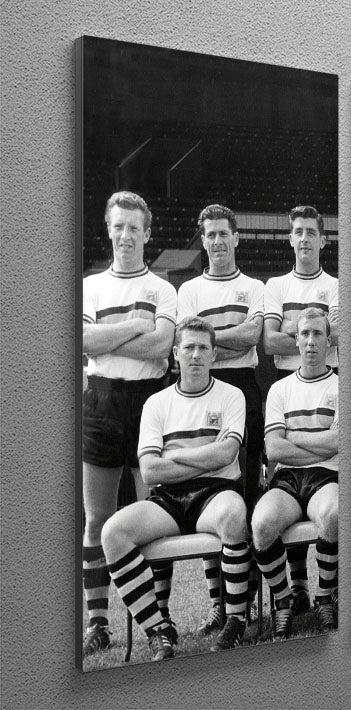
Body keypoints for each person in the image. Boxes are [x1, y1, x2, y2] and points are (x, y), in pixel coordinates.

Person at [100, 316, 250, 660]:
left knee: (233, 514)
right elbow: (150, 470)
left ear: (214, 355)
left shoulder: (232, 395)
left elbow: (227, 454)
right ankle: (159, 630)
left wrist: (175, 455)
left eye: (203, 348)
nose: (196, 355)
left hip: (215, 492)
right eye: (189, 347)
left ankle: (235, 619)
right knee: (113, 532)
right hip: (167, 497)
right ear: (175, 354)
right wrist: (206, 454)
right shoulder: (157, 403)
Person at [81, 191, 177, 656]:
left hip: (148, 402)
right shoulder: (90, 286)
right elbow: (82, 341)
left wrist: (109, 340)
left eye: (133, 227)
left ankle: (159, 617)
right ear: (108, 228)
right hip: (100, 401)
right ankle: (97, 623)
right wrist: (136, 325)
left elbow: (161, 347)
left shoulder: (163, 289)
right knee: (97, 517)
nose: (125, 235)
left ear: (147, 232)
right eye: (118, 226)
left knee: (149, 513)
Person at [177, 204, 264, 634]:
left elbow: (253, 336)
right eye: (209, 234)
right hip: (200, 394)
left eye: (223, 234)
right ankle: (218, 603)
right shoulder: (190, 290)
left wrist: (207, 342)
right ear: (203, 239)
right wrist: (223, 341)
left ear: (236, 237)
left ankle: (243, 600)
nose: (216, 241)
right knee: (208, 492)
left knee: (245, 494)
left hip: (244, 387)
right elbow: (186, 343)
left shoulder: (254, 286)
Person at [262, 205, 338, 613]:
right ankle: (298, 589)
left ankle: (324, 593)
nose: (305, 238)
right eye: (298, 232)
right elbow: (270, 342)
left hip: (328, 383)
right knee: (283, 494)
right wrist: (306, 328)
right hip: (287, 386)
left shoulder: (337, 286)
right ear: (290, 238)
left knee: (325, 496)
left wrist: (290, 327)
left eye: (311, 231)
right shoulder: (276, 285)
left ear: (323, 239)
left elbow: (339, 336)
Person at [252, 308, 339, 640]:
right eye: (304, 334)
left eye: (317, 334)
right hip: (288, 479)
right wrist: (322, 443)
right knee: (261, 524)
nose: (311, 341)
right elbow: (274, 449)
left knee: (333, 515)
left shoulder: (342, 385)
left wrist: (294, 437)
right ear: (296, 341)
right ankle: (284, 600)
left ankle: (324, 597)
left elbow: (340, 443)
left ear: (328, 341)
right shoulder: (280, 389)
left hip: (327, 475)